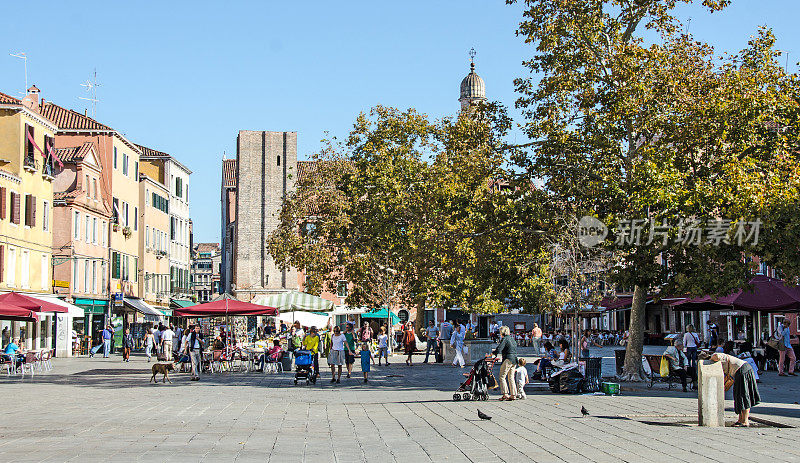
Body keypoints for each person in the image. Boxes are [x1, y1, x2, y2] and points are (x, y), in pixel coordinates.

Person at [710, 352, 760, 426]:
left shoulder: (718, 356)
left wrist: (709, 357)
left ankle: (745, 421)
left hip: (742, 370)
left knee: (744, 395)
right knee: (739, 396)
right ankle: (740, 420)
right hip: (741, 371)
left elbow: (716, 356)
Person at [492, 325, 518, 401]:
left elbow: (500, 348)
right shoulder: (512, 339)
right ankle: (513, 394)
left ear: (502, 332)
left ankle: (505, 394)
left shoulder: (505, 339)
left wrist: (493, 353)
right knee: (511, 377)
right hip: (514, 359)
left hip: (508, 359)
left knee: (502, 376)